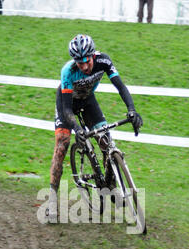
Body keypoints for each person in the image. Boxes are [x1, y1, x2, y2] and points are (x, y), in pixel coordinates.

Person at [47, 34, 143, 220]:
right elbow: (67, 109)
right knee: (62, 144)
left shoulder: (103, 61)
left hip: (88, 101)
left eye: (86, 61)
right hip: (67, 105)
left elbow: (121, 87)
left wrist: (132, 110)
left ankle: (111, 183)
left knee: (106, 141)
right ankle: (51, 199)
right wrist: (76, 128)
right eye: (79, 62)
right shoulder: (68, 71)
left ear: (93, 55)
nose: (83, 66)